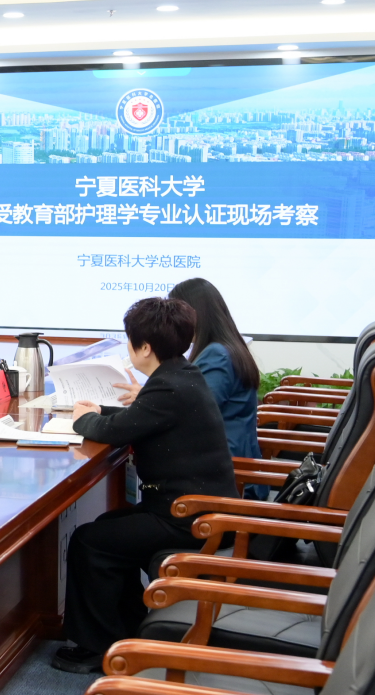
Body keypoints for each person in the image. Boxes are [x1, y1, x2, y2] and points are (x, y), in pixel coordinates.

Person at [52, 297, 237, 674]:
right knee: (107, 529)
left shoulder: (168, 387)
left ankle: (97, 647)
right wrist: (100, 412)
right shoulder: (181, 374)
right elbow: (140, 418)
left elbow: (115, 430)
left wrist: (84, 418)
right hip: (194, 509)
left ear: (145, 347)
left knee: (90, 541)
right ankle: (127, 628)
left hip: (189, 520)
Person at [120, 278, 263, 498]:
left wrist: (151, 396)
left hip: (229, 476)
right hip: (227, 467)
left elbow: (195, 410)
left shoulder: (216, 355)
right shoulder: (225, 347)